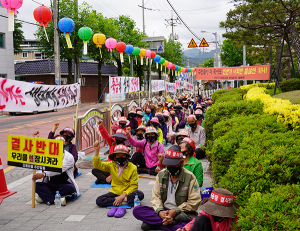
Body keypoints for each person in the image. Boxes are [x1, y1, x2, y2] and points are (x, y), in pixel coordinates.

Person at [132, 145, 201, 231]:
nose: (171, 166)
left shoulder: (190, 177)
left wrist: (175, 211)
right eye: (169, 164)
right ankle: (169, 223)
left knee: (194, 223)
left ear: (181, 163)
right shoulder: (161, 174)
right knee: (137, 210)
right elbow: (156, 197)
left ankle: (157, 224)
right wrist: (160, 212)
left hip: (182, 213)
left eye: (174, 164)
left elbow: (194, 201)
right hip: (164, 211)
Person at [93, 142, 144, 218]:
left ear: (126, 157)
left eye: (123, 155)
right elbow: (97, 165)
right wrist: (96, 151)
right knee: (99, 200)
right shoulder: (111, 165)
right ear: (114, 157)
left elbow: (134, 186)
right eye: (118, 155)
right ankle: (123, 202)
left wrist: (123, 196)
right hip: (115, 192)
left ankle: (117, 201)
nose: (121, 157)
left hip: (127, 193)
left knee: (140, 194)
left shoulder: (133, 167)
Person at [34, 136, 79, 206]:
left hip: (64, 184)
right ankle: (56, 199)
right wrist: (35, 140)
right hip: (51, 183)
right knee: (35, 185)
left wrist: (43, 174)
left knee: (71, 188)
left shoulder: (68, 157)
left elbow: (59, 169)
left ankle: (46, 197)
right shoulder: (49, 155)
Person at [92, 120, 128, 185]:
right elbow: (106, 135)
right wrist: (101, 126)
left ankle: (103, 179)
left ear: (123, 139)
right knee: (94, 170)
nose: (118, 138)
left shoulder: (125, 149)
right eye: (117, 137)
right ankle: (106, 179)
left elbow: (124, 165)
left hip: (119, 170)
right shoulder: (112, 143)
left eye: (120, 138)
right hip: (109, 167)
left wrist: (112, 175)